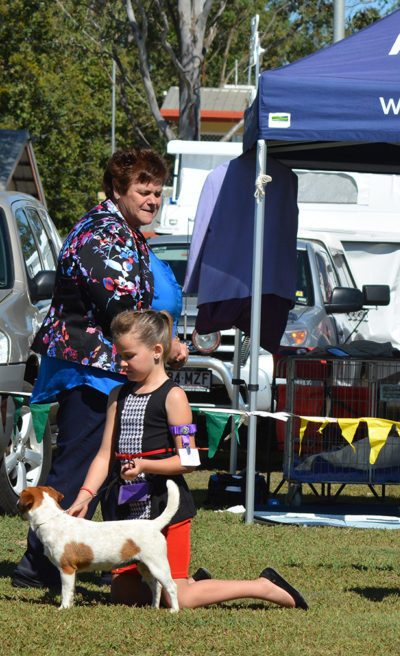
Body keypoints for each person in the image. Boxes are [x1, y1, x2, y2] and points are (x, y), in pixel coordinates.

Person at [13, 147, 190, 592]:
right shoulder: (101, 234)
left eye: (158, 192)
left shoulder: (124, 230)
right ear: (117, 189)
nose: (152, 200)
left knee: (110, 471)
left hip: (111, 369)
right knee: (78, 468)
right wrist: (163, 344)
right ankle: (39, 567)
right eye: (143, 191)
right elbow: (122, 311)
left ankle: (114, 564)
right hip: (89, 369)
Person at [66, 310, 307, 610]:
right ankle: (193, 583)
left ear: (156, 351)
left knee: (175, 598)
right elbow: (104, 455)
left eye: (128, 355)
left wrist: (145, 465)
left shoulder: (174, 397)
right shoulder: (118, 395)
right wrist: (85, 496)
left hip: (166, 509)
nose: (121, 363)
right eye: (119, 356)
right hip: (127, 512)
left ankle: (263, 586)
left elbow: (189, 460)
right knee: (122, 595)